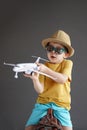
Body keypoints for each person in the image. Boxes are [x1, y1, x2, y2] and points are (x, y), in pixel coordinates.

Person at [24, 30, 74, 130]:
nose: (53, 52)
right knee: (28, 128)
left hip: (61, 104)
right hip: (43, 103)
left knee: (68, 128)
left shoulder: (67, 63)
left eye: (58, 50)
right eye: (50, 48)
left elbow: (62, 79)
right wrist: (35, 79)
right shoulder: (44, 66)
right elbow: (40, 90)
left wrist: (46, 70)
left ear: (66, 54)